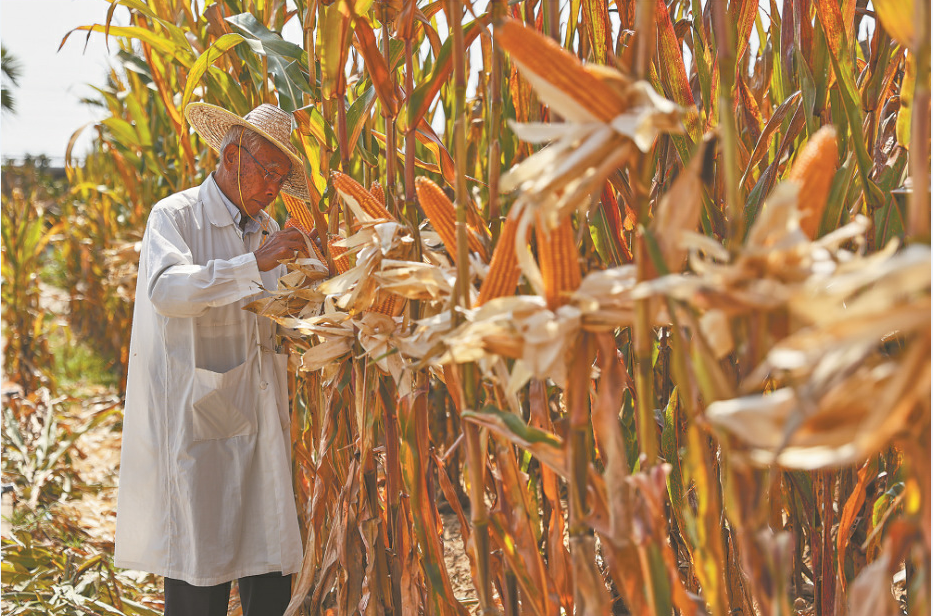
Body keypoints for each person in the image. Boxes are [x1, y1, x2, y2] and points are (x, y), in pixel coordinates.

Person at [114, 102, 313, 616]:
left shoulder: (267, 228)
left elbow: (276, 312)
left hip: (260, 412)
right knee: (201, 563)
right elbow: (168, 291)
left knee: (268, 564)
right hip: (201, 416)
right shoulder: (175, 217)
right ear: (232, 157)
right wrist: (255, 263)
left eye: (282, 178)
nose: (274, 188)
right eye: (269, 173)